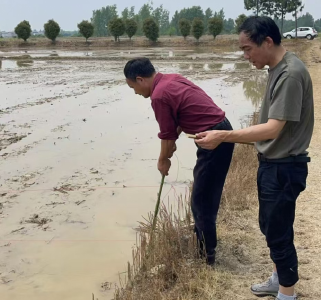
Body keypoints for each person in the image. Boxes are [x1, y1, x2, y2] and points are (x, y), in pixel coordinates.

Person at [195, 16, 314, 300]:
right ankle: (278, 280)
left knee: (279, 233)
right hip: (273, 165)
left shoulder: (290, 74)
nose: (245, 56)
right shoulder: (276, 68)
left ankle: (287, 294)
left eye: (248, 49)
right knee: (271, 227)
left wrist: (223, 136)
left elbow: (273, 128)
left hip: (284, 168)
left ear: (268, 42)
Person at [123, 58, 234, 266]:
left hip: (215, 140)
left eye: (133, 87)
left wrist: (163, 160)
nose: (135, 92)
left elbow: (166, 135)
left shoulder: (158, 96)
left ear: (140, 79)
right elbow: (181, 116)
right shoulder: (170, 80)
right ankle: (202, 240)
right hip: (219, 131)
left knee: (203, 201)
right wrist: (173, 139)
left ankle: (206, 257)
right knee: (202, 196)